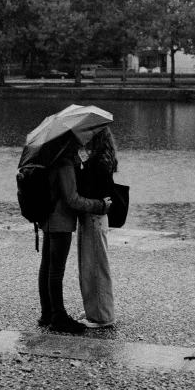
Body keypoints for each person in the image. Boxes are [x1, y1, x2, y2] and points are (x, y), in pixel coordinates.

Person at [38, 139, 112, 334]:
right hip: (60, 221)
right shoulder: (64, 162)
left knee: (47, 266)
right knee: (55, 270)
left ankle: (47, 313)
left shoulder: (49, 156)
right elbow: (72, 199)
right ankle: (58, 317)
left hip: (46, 217)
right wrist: (99, 205)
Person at [76, 127, 117, 328]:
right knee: (92, 265)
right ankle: (96, 308)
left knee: (95, 267)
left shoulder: (99, 162)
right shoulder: (103, 158)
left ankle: (102, 316)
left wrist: (81, 169)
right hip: (94, 217)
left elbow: (91, 190)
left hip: (93, 216)